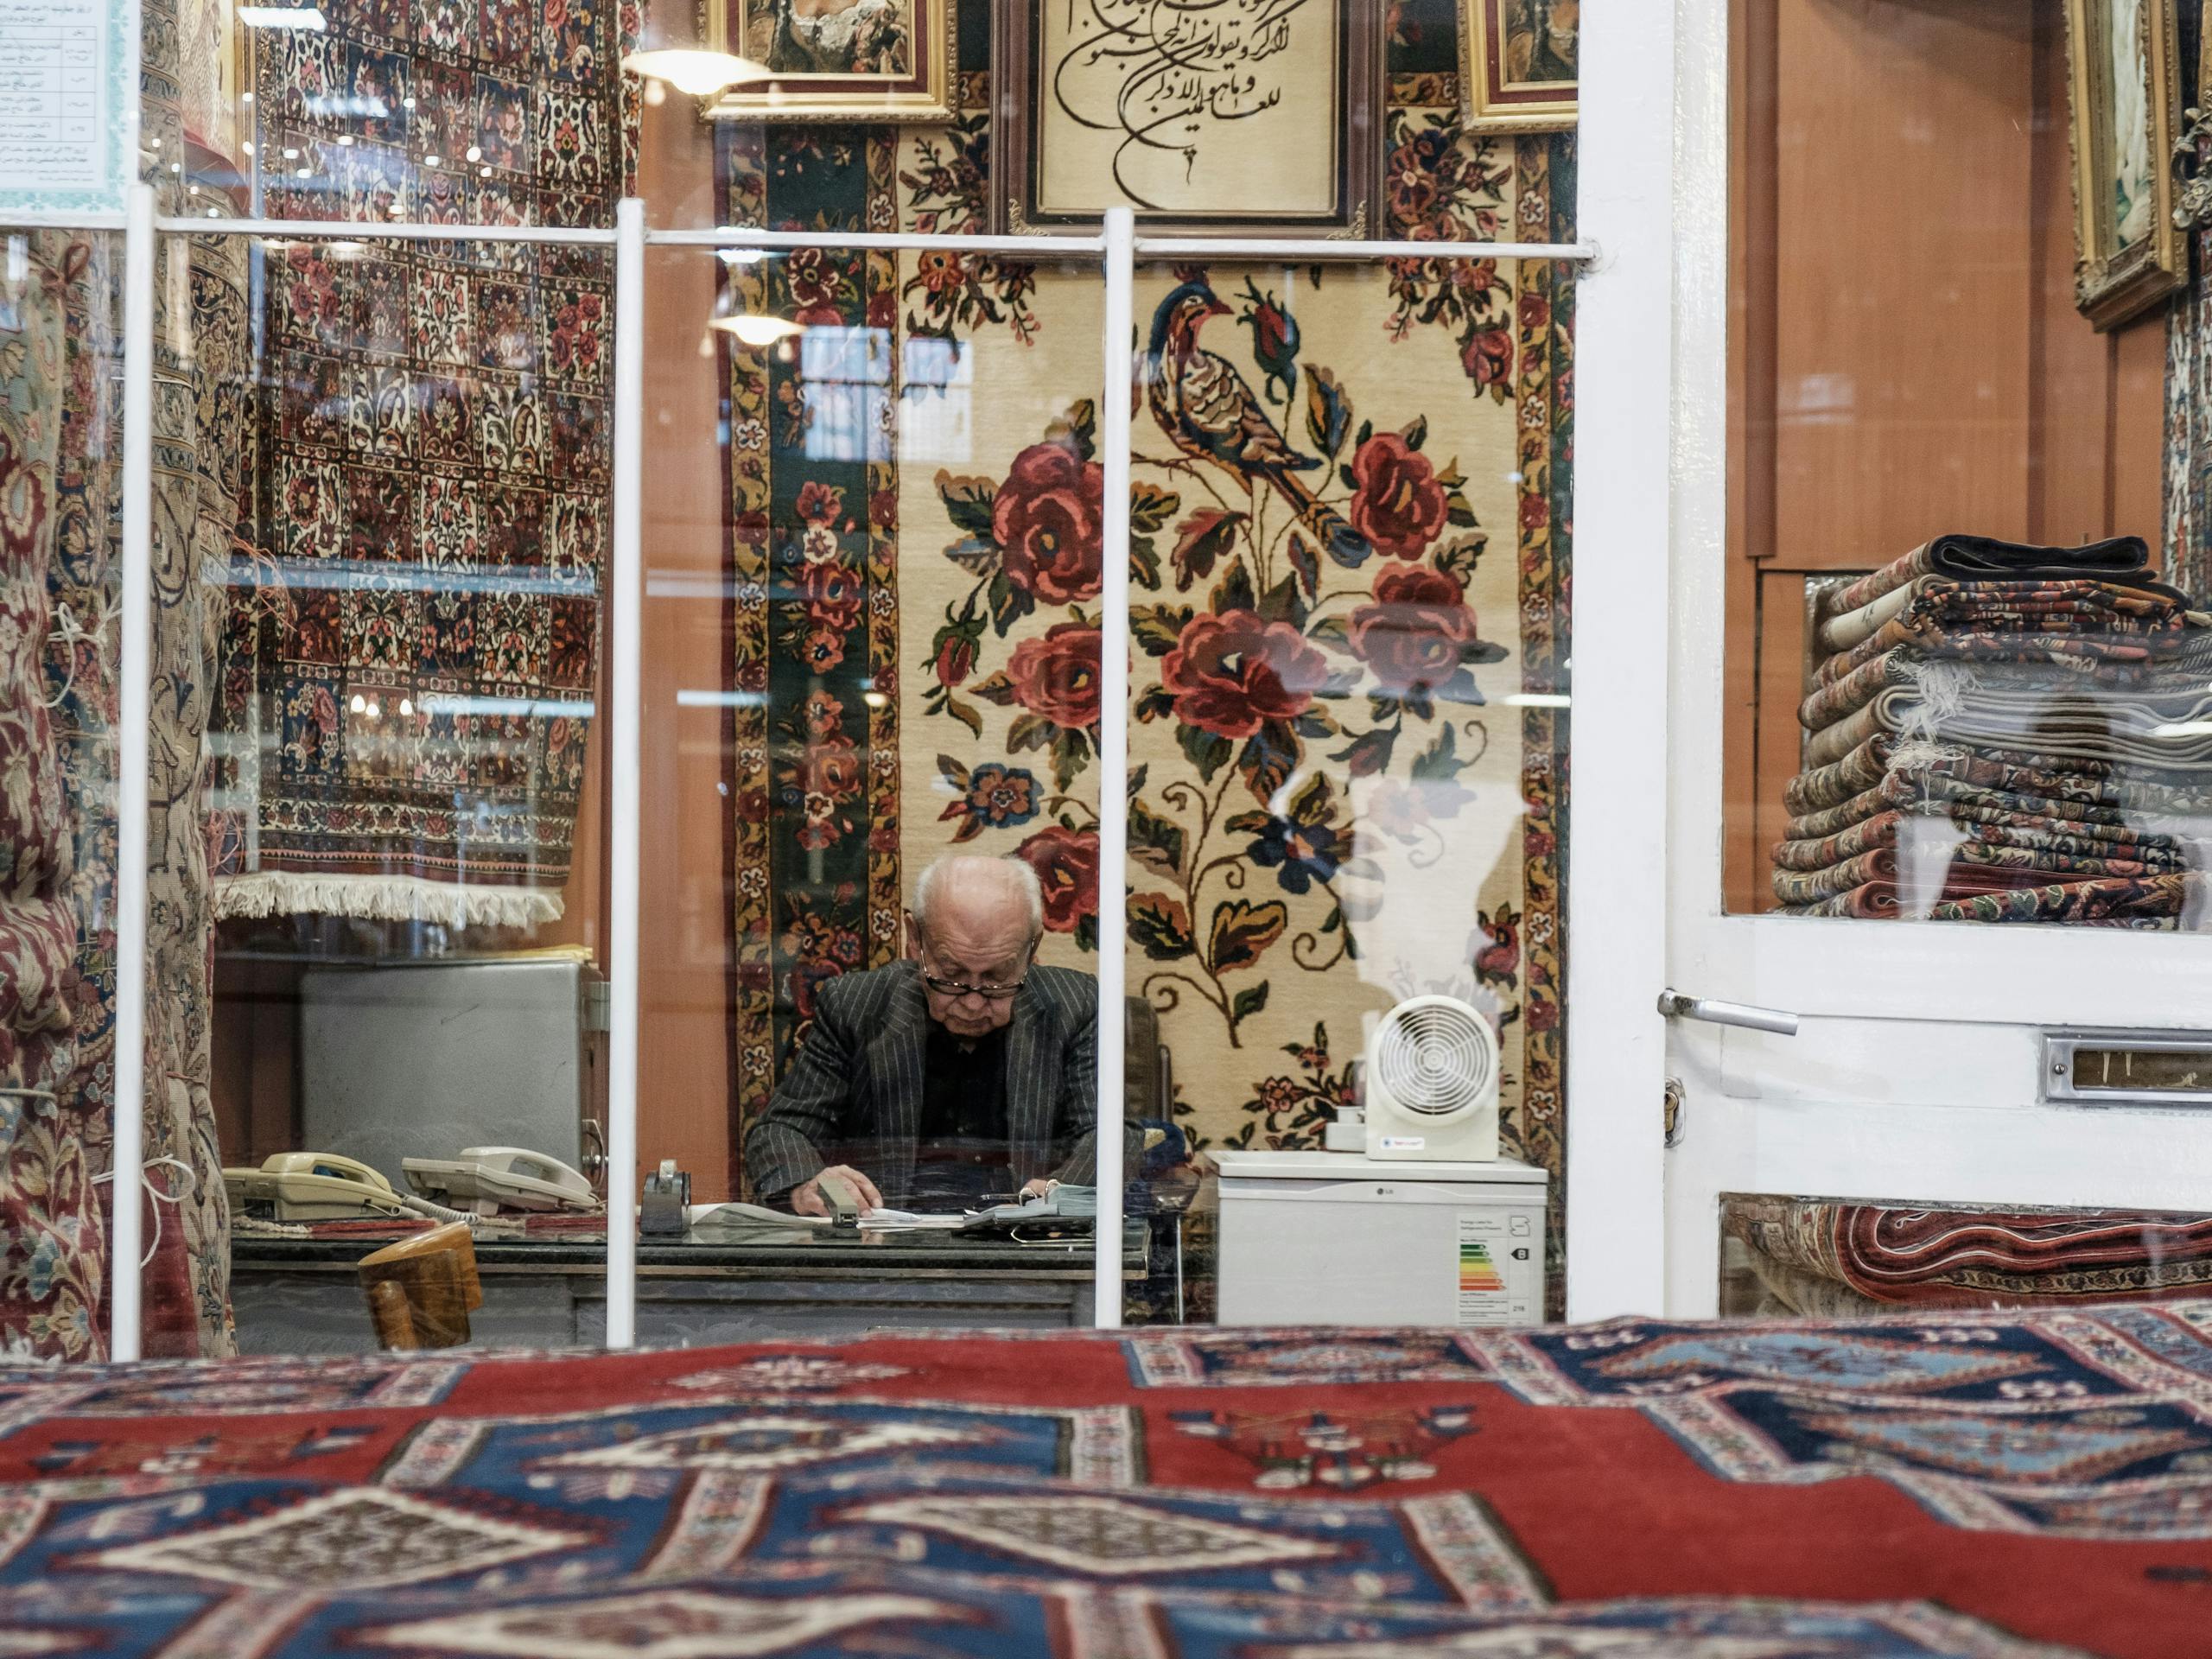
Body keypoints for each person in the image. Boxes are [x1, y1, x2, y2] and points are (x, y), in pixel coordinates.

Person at [745, 854, 1122, 1216]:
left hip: (1026, 1250)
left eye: (997, 978)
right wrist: (810, 1184)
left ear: (1032, 948)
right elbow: (782, 1129)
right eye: (952, 975)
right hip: (891, 1253)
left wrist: (1063, 1192)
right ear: (914, 940)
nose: (973, 1003)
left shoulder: (1077, 1005)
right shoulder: (855, 1006)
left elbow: (1109, 1135)